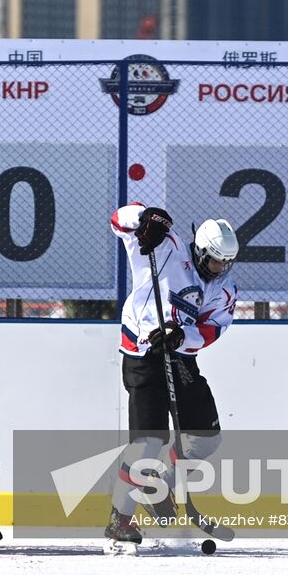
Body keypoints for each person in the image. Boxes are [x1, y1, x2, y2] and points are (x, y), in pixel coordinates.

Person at [104, 204, 238, 554]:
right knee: (147, 442)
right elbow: (120, 219)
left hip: (181, 359)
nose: (220, 269)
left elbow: (214, 328)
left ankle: (159, 487)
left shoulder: (224, 287)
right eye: (214, 262)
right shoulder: (165, 247)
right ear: (199, 251)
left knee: (205, 439)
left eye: (226, 263)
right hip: (143, 355)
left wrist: (182, 337)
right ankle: (120, 519)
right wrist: (146, 219)